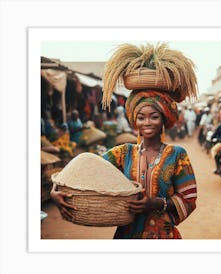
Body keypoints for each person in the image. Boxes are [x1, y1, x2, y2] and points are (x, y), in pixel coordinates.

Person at [51, 42, 198, 239]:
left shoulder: (177, 155)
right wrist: (55, 191)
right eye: (141, 117)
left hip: (163, 236)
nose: (147, 123)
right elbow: (85, 170)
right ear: (134, 120)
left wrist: (156, 203)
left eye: (154, 116)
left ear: (164, 118)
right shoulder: (123, 153)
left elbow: (188, 198)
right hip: (127, 236)